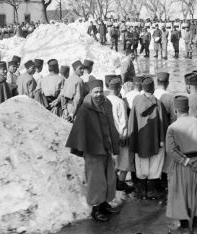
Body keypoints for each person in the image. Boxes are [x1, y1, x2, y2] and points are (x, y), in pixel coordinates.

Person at [65, 79, 121, 222]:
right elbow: (79, 130)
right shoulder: (85, 109)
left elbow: (110, 124)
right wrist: (83, 148)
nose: (99, 94)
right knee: (96, 181)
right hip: (93, 150)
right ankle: (96, 209)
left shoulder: (106, 104)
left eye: (101, 91)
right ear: (90, 92)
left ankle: (104, 204)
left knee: (108, 178)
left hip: (105, 147)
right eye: (95, 92)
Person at [165, 95, 197, 234]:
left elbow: (170, 150)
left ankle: (185, 229)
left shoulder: (172, 127)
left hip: (182, 166)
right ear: (188, 109)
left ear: (175, 111)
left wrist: (186, 161)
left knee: (181, 195)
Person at [128, 77, 168, 200]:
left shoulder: (136, 102)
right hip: (155, 140)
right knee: (155, 164)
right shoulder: (158, 103)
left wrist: (132, 139)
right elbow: (163, 124)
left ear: (143, 88)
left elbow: (131, 122)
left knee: (141, 165)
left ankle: (141, 191)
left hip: (140, 141)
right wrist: (162, 140)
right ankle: (151, 191)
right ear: (153, 88)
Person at [105, 77, 134, 193]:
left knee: (112, 160)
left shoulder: (105, 100)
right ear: (118, 88)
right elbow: (124, 122)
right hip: (119, 136)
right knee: (124, 160)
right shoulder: (120, 102)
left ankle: (111, 180)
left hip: (107, 135)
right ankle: (120, 183)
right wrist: (125, 136)